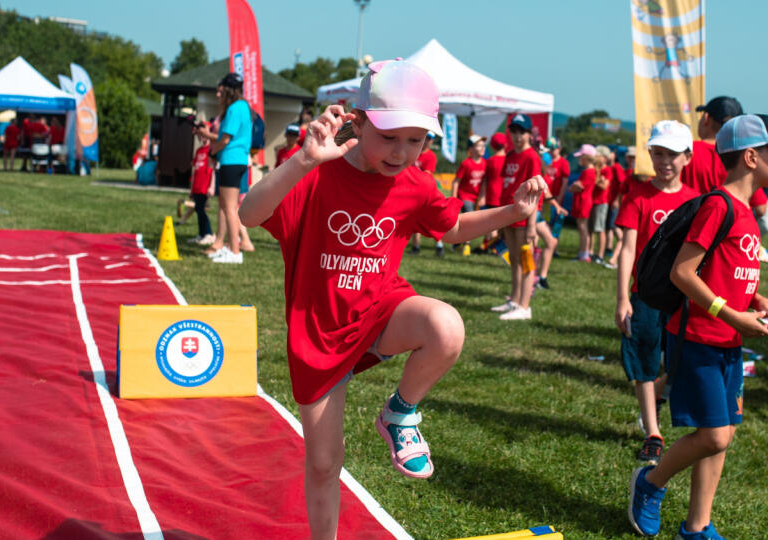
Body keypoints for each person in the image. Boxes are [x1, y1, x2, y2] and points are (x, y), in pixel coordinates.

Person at [238, 60, 544, 540]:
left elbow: (455, 226)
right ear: (357, 122)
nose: (402, 152)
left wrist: (514, 211)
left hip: (380, 314)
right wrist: (302, 161)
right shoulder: (318, 171)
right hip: (318, 334)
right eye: (389, 137)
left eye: (416, 140)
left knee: (446, 327)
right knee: (323, 462)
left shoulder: (415, 183)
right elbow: (250, 214)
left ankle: (399, 413)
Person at [628, 114, 768, 539]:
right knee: (713, 436)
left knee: (723, 435)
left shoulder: (745, 212)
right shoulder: (719, 204)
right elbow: (683, 274)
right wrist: (732, 315)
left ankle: (696, 527)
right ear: (751, 157)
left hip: (728, 340)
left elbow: (725, 272)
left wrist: (757, 301)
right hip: (699, 338)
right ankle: (649, 483)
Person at [615, 121, 699, 466]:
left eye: (672, 155)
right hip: (645, 296)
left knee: (681, 363)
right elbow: (627, 249)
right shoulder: (638, 196)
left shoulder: (696, 201)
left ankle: (657, 397)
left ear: (687, 158)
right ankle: (653, 432)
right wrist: (623, 298)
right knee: (645, 362)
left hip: (682, 296)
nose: (664, 161)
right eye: (658, 153)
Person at [490, 113, 542, 321]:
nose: (517, 136)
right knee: (513, 260)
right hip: (510, 215)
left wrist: (532, 225)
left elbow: (536, 193)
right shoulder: (510, 156)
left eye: (522, 132)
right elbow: (506, 187)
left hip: (524, 218)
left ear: (529, 134)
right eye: (514, 131)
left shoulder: (532, 158)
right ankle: (514, 299)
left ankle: (524, 305)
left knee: (525, 260)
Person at [197, 72, 252, 264]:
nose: (218, 95)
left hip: (231, 160)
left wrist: (213, 151)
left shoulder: (234, 108)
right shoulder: (243, 106)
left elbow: (225, 139)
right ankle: (230, 247)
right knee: (227, 206)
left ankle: (235, 252)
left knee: (229, 208)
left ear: (227, 90)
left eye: (220, 91)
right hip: (236, 160)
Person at [681, 96, 743, 194]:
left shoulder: (685, 151)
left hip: (689, 208)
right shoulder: (742, 157)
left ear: (706, 118)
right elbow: (761, 206)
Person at [451, 134, 486, 254]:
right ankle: (467, 245)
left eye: (483, 145)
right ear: (470, 149)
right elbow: (456, 181)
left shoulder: (485, 164)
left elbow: (485, 183)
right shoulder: (466, 163)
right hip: (465, 196)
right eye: (478, 145)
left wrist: (483, 196)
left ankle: (458, 241)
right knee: (470, 218)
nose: (482, 147)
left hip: (477, 197)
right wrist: (453, 197)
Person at [409, 133, 441, 256]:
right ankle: (416, 246)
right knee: (413, 218)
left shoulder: (431, 156)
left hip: (426, 191)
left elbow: (427, 174)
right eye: (425, 137)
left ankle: (439, 245)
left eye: (430, 139)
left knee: (432, 219)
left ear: (432, 141)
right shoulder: (412, 152)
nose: (427, 141)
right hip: (411, 190)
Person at [568, 144, 598, 262]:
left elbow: (578, 186)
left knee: (582, 227)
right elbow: (576, 186)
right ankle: (582, 252)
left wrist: (575, 185)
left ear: (587, 157)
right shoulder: (587, 171)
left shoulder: (589, 171)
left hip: (583, 202)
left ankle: (584, 253)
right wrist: (575, 185)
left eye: (581, 157)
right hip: (582, 201)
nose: (579, 159)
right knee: (581, 227)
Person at [479, 132, 508, 251]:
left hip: (492, 196)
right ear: (505, 145)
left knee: (492, 224)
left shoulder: (490, 161)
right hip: (505, 197)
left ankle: (495, 248)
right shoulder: (509, 159)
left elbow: (484, 181)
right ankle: (495, 246)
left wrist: (481, 197)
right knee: (503, 224)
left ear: (492, 146)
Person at [188, 126, 215, 245]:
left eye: (203, 135)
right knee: (198, 209)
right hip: (197, 186)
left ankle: (209, 234)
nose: (201, 137)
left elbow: (213, 169)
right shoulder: (199, 151)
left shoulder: (211, 149)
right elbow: (195, 171)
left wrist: (211, 186)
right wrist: (191, 188)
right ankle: (202, 234)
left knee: (201, 209)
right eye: (200, 136)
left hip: (205, 186)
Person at [590, 146, 614, 267]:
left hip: (602, 202)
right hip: (593, 201)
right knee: (592, 229)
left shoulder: (607, 170)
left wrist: (596, 179)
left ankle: (600, 255)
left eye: (598, 156)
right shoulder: (595, 169)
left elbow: (604, 186)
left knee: (600, 229)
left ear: (604, 158)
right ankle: (590, 252)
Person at [607, 148, 628, 266]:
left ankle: (622, 241)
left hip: (618, 202)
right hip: (612, 200)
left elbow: (621, 183)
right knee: (610, 226)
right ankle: (609, 249)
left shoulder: (617, 167)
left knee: (614, 225)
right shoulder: (613, 167)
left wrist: (616, 200)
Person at [548, 139, 570, 239]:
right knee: (545, 222)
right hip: (546, 197)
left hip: (556, 197)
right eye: (550, 149)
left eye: (554, 149)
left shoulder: (563, 163)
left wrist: (559, 198)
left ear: (559, 149)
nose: (552, 151)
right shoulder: (547, 161)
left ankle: (553, 247)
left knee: (555, 223)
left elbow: (564, 183)